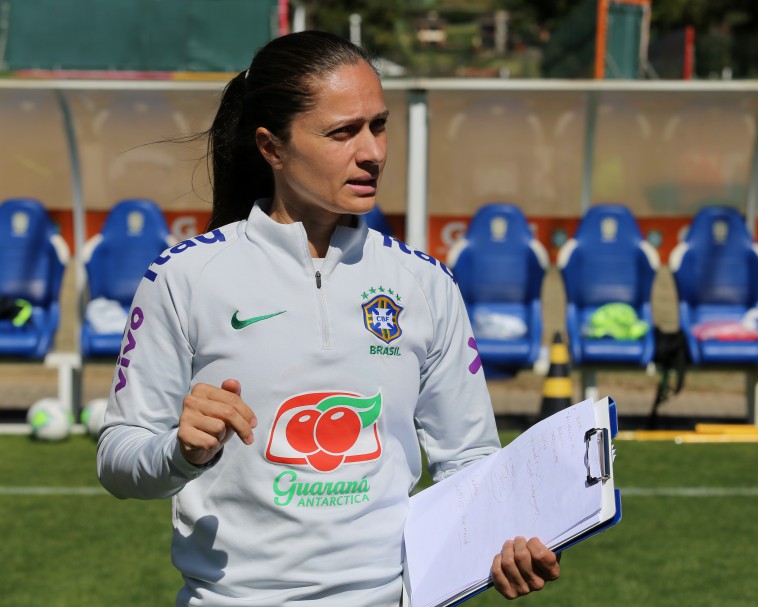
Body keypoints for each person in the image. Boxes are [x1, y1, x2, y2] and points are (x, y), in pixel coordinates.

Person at [97, 31, 559, 606]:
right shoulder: (185, 276)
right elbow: (118, 455)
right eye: (343, 132)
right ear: (272, 147)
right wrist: (178, 452)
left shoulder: (425, 284)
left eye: (379, 125)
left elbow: (469, 459)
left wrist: (504, 538)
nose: (373, 152)